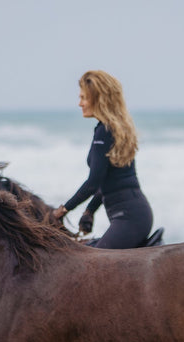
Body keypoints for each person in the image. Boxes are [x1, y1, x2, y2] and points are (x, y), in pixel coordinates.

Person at [53, 70, 153, 248]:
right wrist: (89, 211)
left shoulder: (104, 131)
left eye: (84, 98)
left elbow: (93, 182)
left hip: (129, 218)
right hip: (136, 214)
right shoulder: (114, 128)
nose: (80, 103)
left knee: (89, 266)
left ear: (98, 99)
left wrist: (62, 211)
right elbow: (108, 181)